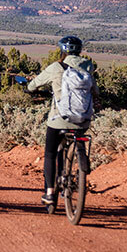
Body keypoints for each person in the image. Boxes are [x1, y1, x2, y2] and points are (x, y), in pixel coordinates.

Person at [26, 35, 97, 205]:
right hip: (82, 120)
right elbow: (95, 92)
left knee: (50, 153)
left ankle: (50, 193)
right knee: (76, 138)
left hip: (59, 120)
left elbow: (33, 85)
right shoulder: (88, 68)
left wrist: (29, 89)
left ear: (62, 50)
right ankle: (75, 174)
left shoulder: (55, 67)